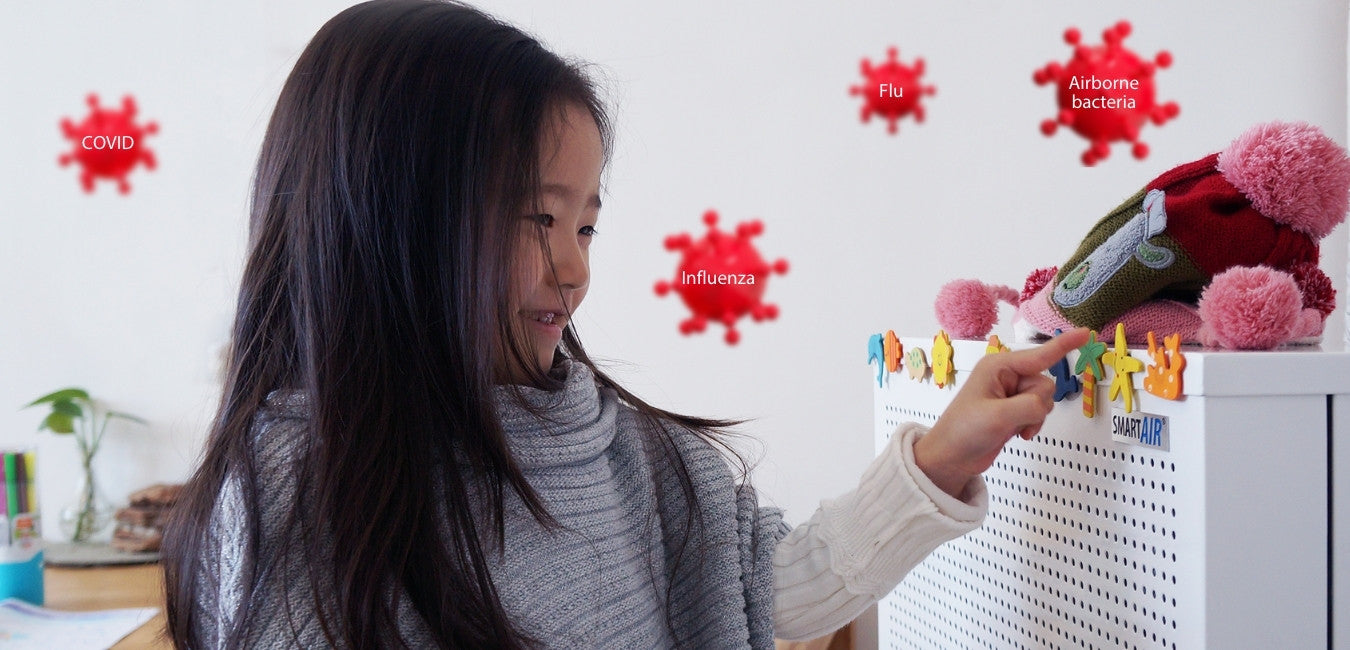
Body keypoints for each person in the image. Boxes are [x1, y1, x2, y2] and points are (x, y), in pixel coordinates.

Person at [160, 1, 1090, 648]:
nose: (575, 266)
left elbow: (770, 588)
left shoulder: (621, 454)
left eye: (588, 223)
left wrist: (941, 460)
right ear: (392, 219)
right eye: (537, 218)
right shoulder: (293, 496)